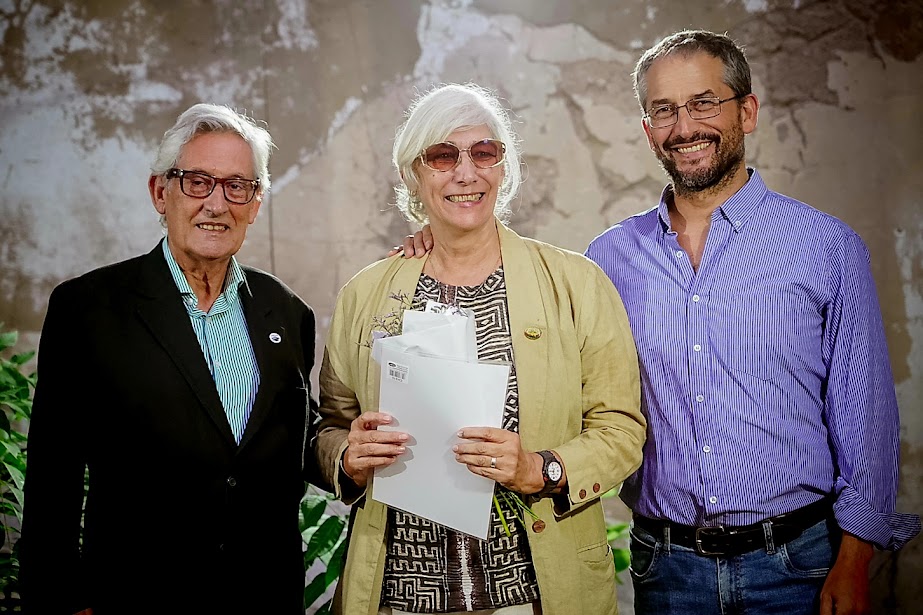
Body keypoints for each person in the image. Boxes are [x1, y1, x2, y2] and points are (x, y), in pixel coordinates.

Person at [398, 30, 920, 615]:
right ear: (649, 130)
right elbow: (552, 374)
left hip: (798, 566)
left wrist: (855, 560)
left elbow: (865, 416)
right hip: (668, 570)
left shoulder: (826, 247)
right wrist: (443, 241)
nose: (685, 126)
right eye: (665, 110)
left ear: (747, 112)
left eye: (704, 103)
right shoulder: (608, 259)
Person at [315, 83, 646, 615]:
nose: (466, 173)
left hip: (533, 597)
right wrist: (350, 457)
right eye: (443, 156)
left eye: (484, 152)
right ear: (413, 173)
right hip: (398, 597)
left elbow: (621, 428)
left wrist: (540, 468)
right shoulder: (365, 295)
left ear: (503, 166)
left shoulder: (576, 284)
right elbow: (331, 425)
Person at [20, 103, 322, 615]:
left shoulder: (288, 311)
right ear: (161, 192)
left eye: (237, 186)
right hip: (135, 596)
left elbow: (296, 439)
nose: (217, 204)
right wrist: (58, 598)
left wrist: (349, 453)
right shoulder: (88, 309)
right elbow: (54, 475)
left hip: (263, 596)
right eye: (197, 182)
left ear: (255, 204)